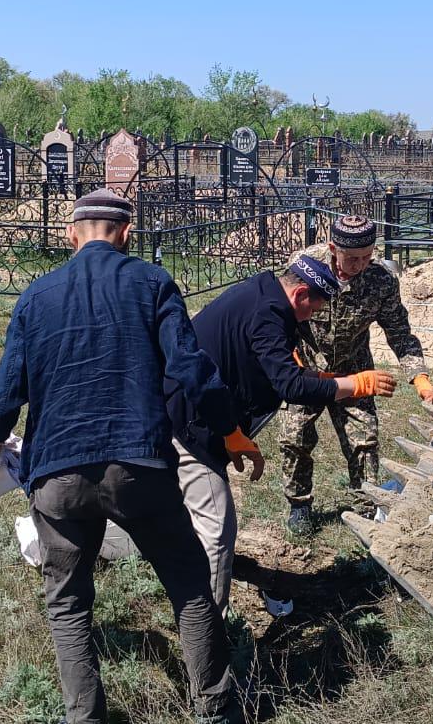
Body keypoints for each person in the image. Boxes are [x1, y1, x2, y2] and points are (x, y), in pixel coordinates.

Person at [0, 188, 241, 724]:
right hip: (139, 466)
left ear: (71, 235)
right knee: (189, 581)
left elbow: (7, 385)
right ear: (126, 233)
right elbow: (191, 368)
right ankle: (215, 709)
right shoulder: (153, 283)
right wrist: (229, 429)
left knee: (68, 600)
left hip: (58, 472)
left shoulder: (36, 295)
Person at [165, 255, 397, 608]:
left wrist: (322, 379)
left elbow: (277, 370)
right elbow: (290, 386)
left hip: (199, 415)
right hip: (190, 425)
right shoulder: (269, 314)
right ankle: (206, 624)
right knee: (217, 530)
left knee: (189, 519)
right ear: (300, 294)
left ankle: (195, 582)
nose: (310, 318)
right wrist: (354, 384)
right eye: (312, 310)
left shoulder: (261, 293)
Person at [279, 215, 433, 534]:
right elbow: (283, 312)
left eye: (367, 257)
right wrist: (289, 355)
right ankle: (299, 505)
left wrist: (419, 378)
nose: (360, 265)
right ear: (333, 249)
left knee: (364, 441)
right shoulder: (305, 267)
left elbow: (399, 332)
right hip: (307, 371)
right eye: (352, 258)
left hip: (354, 370)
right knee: (294, 437)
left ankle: (367, 507)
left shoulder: (381, 280)